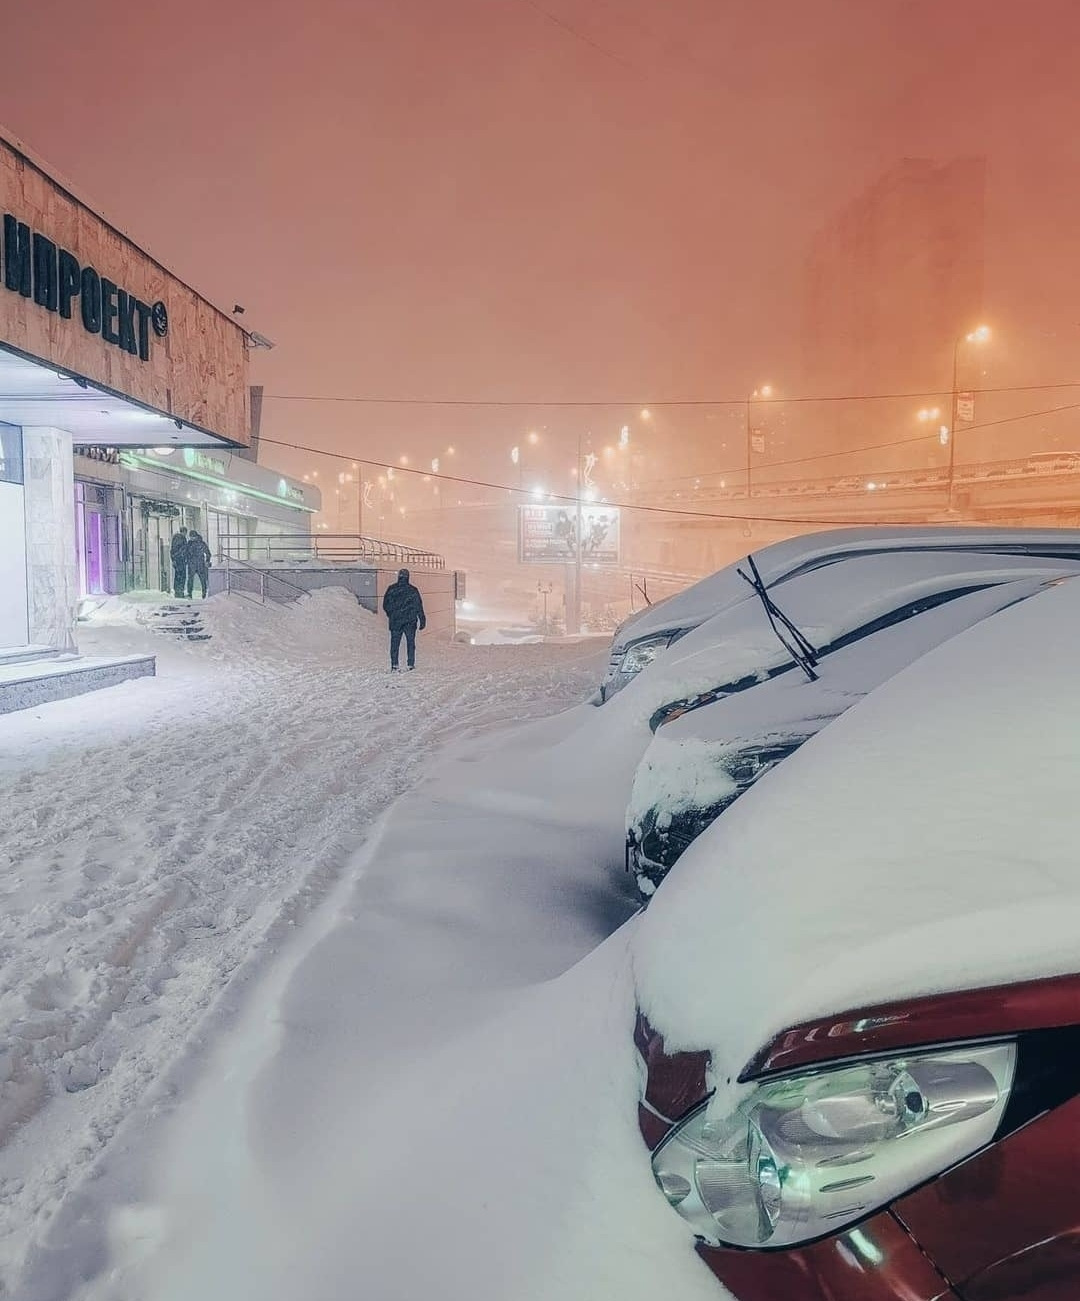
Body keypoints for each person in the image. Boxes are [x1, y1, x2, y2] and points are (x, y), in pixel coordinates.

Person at [381, 567, 426, 671]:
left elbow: (385, 605)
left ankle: (394, 665)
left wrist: (392, 614)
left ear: (399, 577)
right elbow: (418, 605)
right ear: (408, 577)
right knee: (410, 643)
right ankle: (410, 664)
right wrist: (422, 619)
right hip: (410, 622)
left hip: (396, 622)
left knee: (394, 644)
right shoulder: (413, 590)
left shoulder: (392, 589)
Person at [185, 529, 212, 599]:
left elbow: (208, 553)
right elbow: (208, 553)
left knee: (194, 579)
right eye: (191, 536)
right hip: (199, 564)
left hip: (195, 564)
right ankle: (201, 593)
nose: (191, 538)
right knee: (201, 579)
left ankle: (201, 593)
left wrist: (207, 561)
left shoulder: (191, 543)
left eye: (192, 536)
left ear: (195, 536)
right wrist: (207, 560)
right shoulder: (201, 543)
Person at [170, 526, 188, 598]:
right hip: (181, 560)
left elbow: (172, 550)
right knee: (182, 576)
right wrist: (184, 557)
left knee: (177, 576)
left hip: (176, 560)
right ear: (184, 532)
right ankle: (180, 592)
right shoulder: (181, 538)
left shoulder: (175, 538)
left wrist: (173, 559)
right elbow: (183, 550)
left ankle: (177, 592)